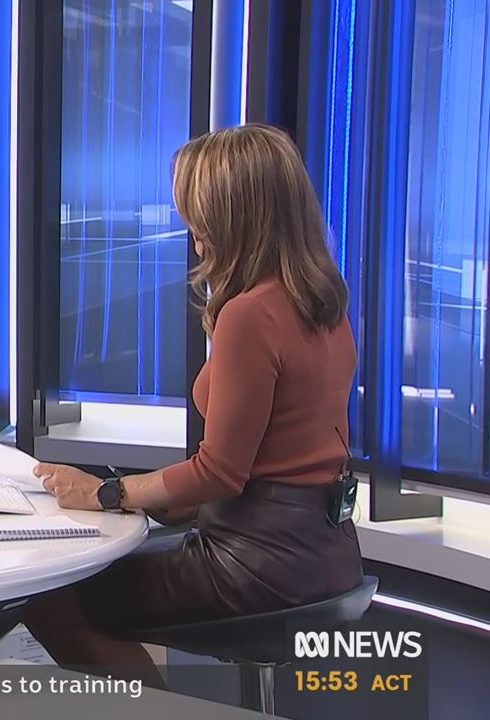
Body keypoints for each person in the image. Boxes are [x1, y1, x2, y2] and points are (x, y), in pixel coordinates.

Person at [22, 124, 362, 683]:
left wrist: (105, 492)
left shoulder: (250, 315)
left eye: (200, 217)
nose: (193, 233)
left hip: (256, 566)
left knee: (54, 595)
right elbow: (277, 458)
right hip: (324, 554)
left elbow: (219, 473)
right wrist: (129, 497)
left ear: (237, 217)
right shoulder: (324, 305)